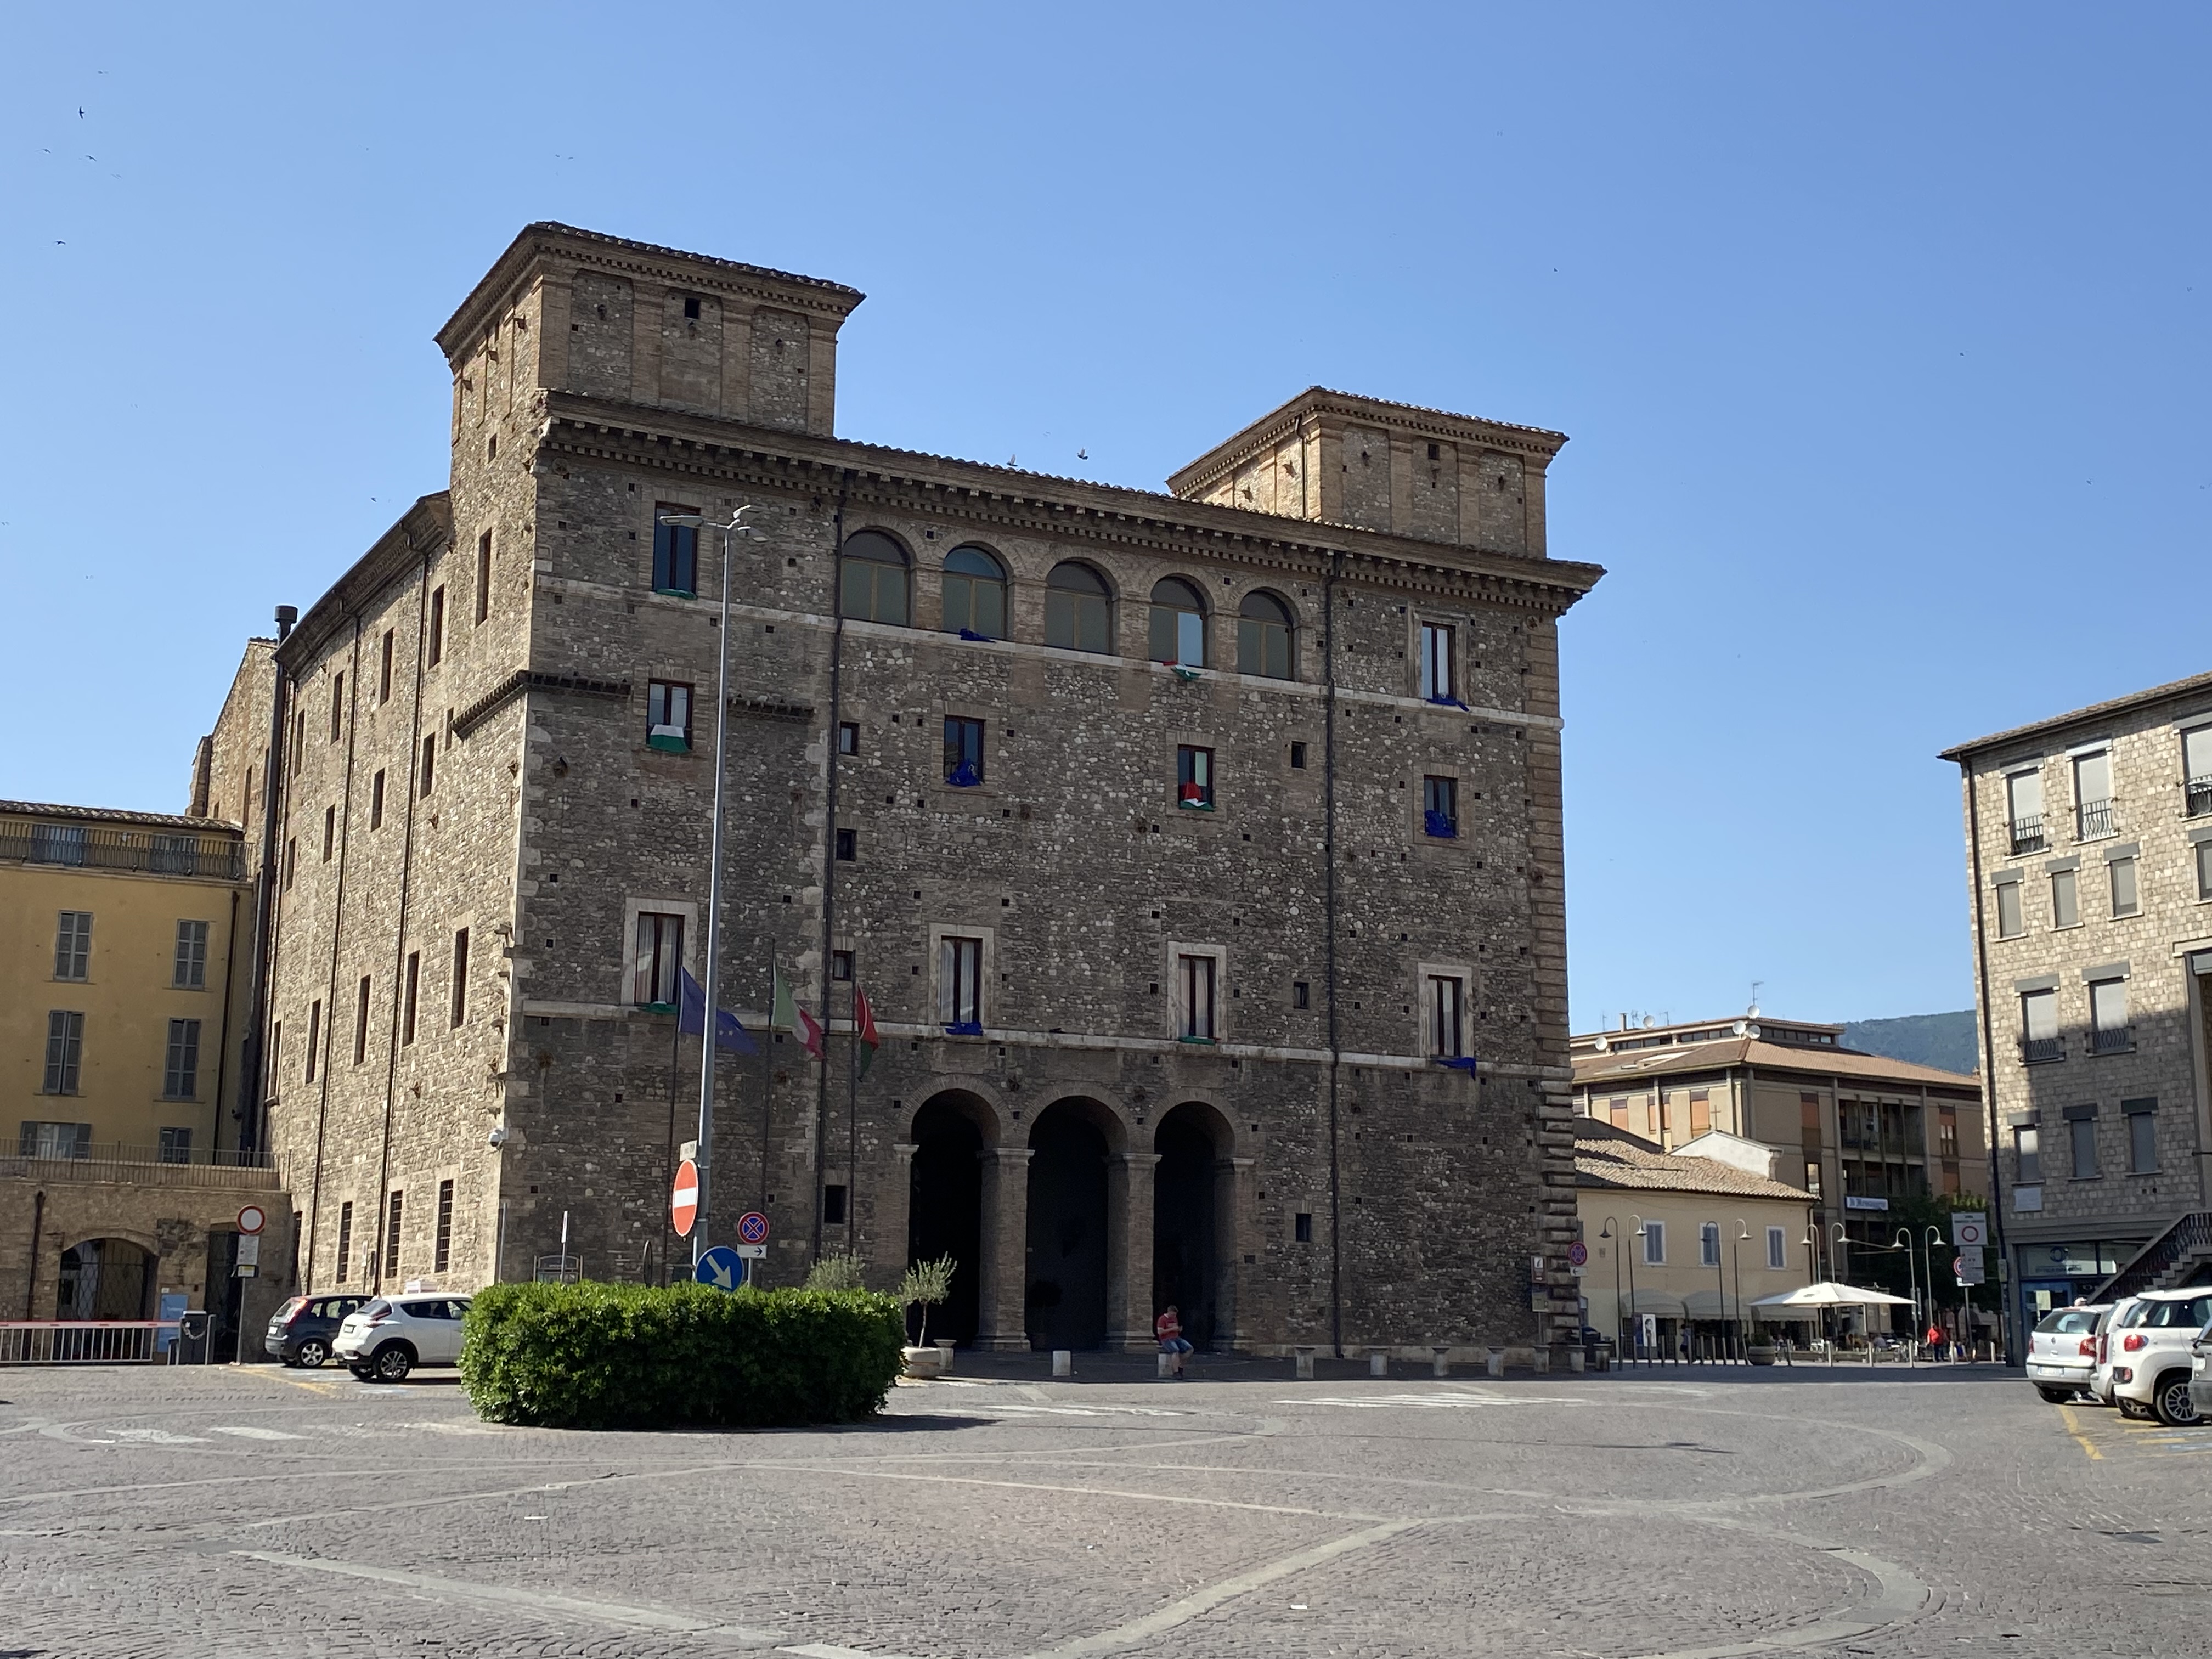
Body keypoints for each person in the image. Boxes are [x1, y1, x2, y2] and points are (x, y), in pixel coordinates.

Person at [1155, 1304, 1193, 1379]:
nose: (1174, 1316)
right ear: (1169, 1312)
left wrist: (1178, 1330)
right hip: (1166, 1339)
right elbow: (1160, 1332)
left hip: (1176, 1338)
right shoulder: (1162, 1319)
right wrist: (1172, 1329)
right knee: (1175, 1350)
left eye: (1175, 1315)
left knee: (1190, 1349)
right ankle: (1176, 1372)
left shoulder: (1175, 1318)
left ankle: (1180, 1366)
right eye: (1172, 1315)